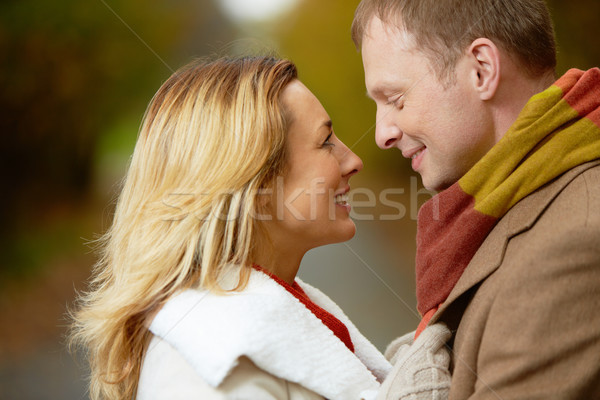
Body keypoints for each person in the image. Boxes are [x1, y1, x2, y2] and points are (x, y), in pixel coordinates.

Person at [69, 56, 452, 400]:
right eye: (325, 142)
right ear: (257, 185)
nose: (353, 160)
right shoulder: (207, 364)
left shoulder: (280, 310)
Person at [351, 0, 600, 399]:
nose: (382, 134)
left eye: (396, 99)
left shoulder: (574, 242)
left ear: (482, 70)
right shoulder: (501, 210)